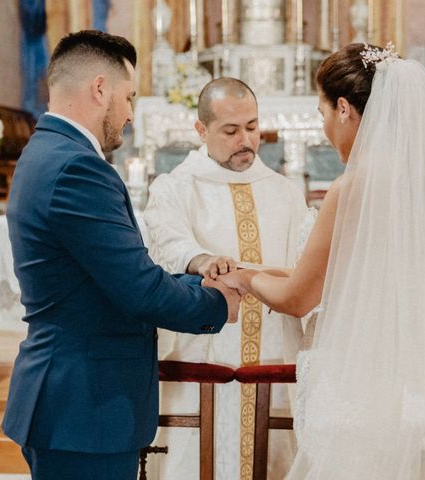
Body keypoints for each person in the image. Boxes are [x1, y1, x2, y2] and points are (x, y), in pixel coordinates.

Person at [220, 43, 425, 479]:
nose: (323, 130)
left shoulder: (352, 188)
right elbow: (346, 275)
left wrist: (246, 278)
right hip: (420, 379)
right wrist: (263, 270)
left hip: (362, 380)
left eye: (322, 116)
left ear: (344, 108)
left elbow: (298, 297)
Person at [2, 30, 241, 480]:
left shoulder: (47, 150)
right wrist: (217, 302)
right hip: (85, 406)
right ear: (99, 89)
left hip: (73, 401)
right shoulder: (76, 166)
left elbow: (105, 278)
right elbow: (138, 288)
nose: (131, 114)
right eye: (130, 97)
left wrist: (197, 281)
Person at [143, 77, 311, 479]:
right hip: (205, 356)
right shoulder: (175, 188)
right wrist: (199, 259)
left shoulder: (286, 192)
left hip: (274, 357)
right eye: (231, 131)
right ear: (201, 131)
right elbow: (166, 241)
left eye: (252, 127)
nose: (246, 141)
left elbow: (305, 264)